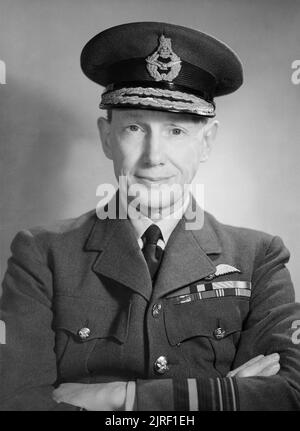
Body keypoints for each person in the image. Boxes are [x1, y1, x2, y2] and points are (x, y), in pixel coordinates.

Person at [0, 21, 300, 411]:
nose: (154, 156)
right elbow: (17, 402)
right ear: (107, 138)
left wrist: (120, 397)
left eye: (176, 131)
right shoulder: (41, 255)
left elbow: (290, 394)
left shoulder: (259, 258)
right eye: (135, 128)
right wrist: (222, 396)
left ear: (206, 142)